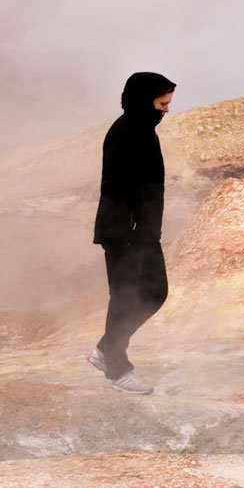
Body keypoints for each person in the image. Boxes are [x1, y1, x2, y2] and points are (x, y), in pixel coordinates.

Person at [86, 71, 176, 394]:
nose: (166, 110)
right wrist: (130, 229)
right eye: (162, 103)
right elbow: (118, 188)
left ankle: (105, 349)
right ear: (145, 100)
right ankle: (118, 370)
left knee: (155, 292)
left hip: (143, 232)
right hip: (126, 231)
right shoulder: (126, 132)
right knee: (125, 297)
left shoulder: (143, 130)